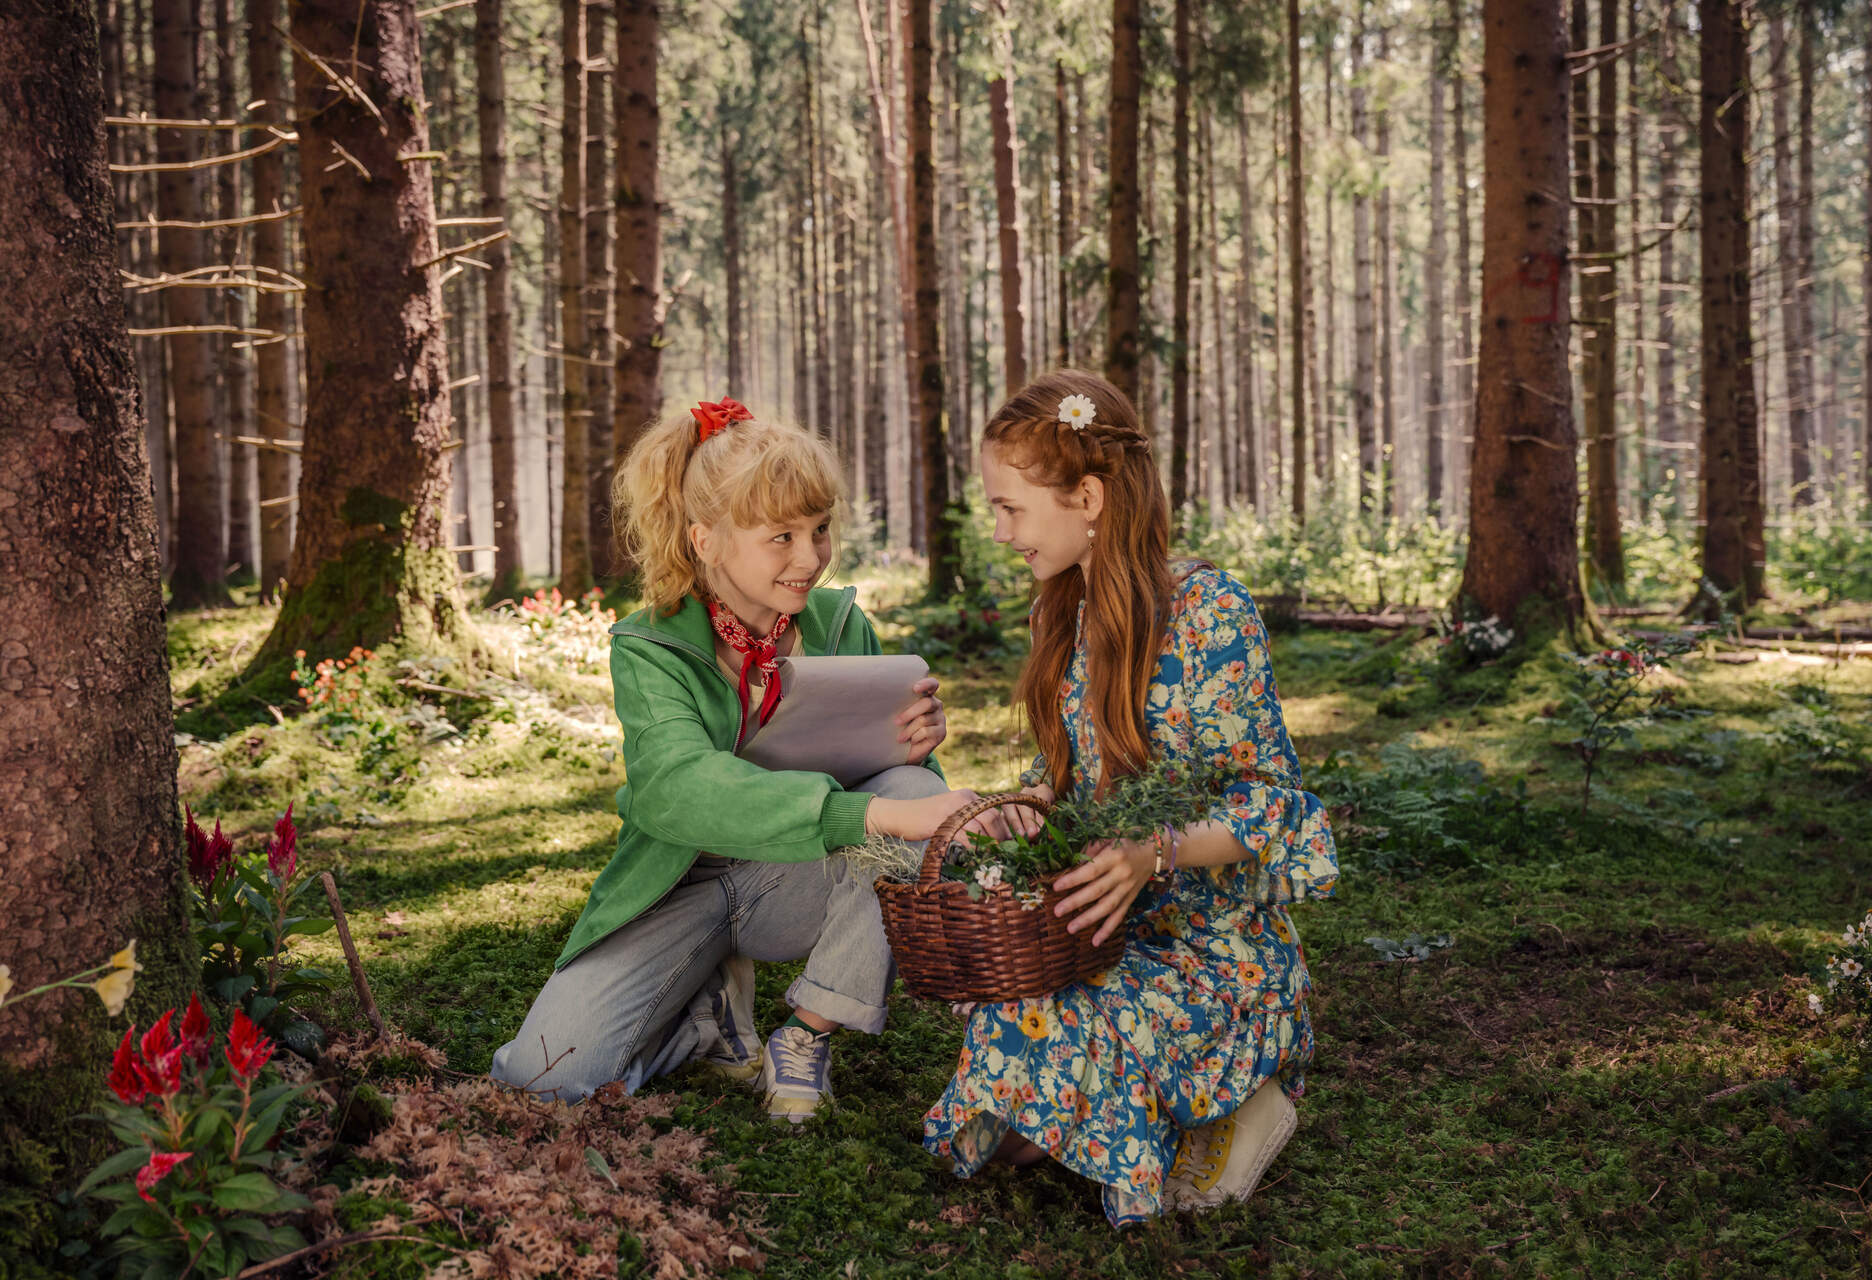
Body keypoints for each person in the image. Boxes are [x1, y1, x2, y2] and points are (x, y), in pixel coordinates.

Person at [921, 371, 1339, 1223]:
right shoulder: (1059, 615)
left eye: (1011, 508)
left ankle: (1241, 1104)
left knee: (1042, 1045)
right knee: (1006, 1092)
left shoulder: (1209, 611)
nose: (1000, 533)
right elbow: (1083, 785)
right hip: (1108, 941)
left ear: (1088, 496)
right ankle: (1137, 1112)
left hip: (1221, 957)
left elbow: (1278, 808)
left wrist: (1155, 854)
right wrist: (1024, 809)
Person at [492, 397, 980, 1122]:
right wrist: (871, 808)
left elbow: (909, 805)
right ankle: (703, 1021)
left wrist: (914, 753)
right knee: (540, 1082)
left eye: (819, 531)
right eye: (780, 536)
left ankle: (806, 1035)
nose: (809, 558)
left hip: (797, 881)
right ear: (707, 540)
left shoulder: (842, 625)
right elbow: (678, 790)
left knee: (908, 783)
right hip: (677, 885)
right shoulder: (651, 645)